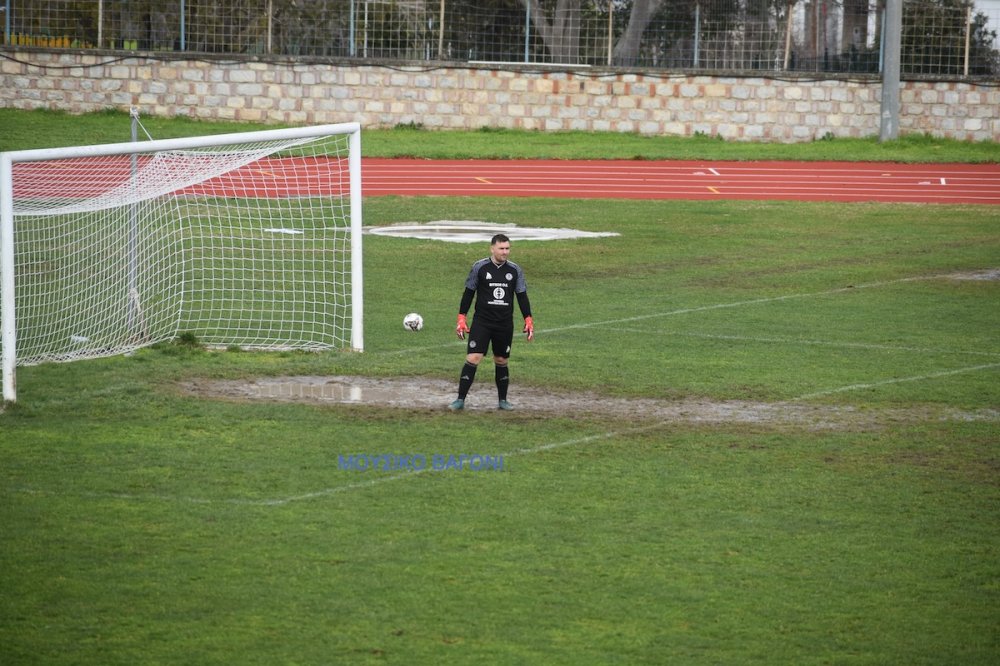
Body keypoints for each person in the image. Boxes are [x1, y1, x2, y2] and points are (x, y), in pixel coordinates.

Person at [449, 233, 533, 411]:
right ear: (492, 248)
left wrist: (528, 318)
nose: (505, 252)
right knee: (473, 357)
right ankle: (460, 400)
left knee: (501, 360)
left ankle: (503, 401)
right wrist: (461, 317)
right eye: (501, 248)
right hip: (482, 322)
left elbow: (521, 295)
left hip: (504, 323)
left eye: (507, 248)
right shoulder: (479, 267)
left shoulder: (515, 270)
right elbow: (468, 293)